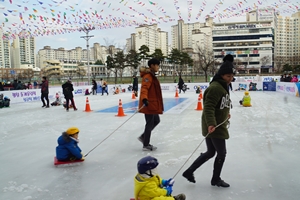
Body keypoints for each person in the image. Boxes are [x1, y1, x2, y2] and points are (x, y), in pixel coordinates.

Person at [182, 54, 234, 188]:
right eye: (228, 76)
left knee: (211, 152)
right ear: (222, 75)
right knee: (221, 153)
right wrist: (211, 123)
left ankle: (189, 171)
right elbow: (209, 107)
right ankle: (215, 179)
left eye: (232, 76)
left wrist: (226, 114)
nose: (230, 79)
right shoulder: (216, 87)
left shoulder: (223, 87)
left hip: (215, 124)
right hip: (214, 126)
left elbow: (221, 105)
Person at [138, 58, 163, 151]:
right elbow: (144, 88)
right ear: (152, 65)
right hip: (149, 104)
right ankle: (146, 144)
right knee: (150, 123)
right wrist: (144, 99)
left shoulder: (152, 76)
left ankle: (144, 136)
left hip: (153, 104)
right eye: (157, 65)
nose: (158, 67)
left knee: (156, 120)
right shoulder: (148, 76)